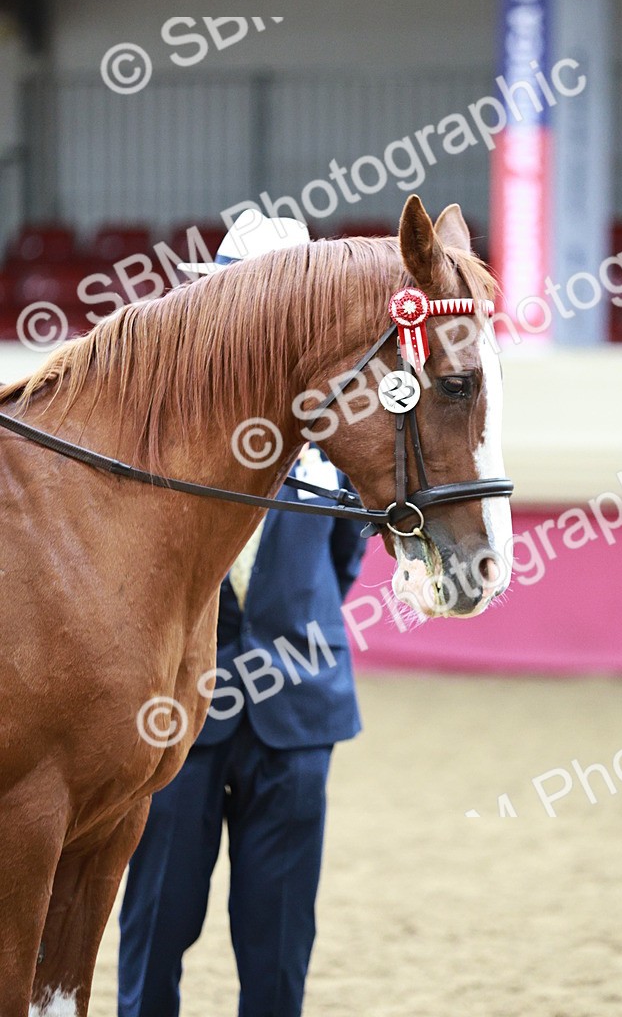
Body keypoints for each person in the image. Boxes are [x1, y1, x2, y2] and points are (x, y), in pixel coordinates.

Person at [118, 212, 366, 1017]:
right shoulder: (167, 432)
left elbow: (345, 558)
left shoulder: (342, 437)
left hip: (300, 708)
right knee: (154, 927)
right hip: (178, 714)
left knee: (280, 940)